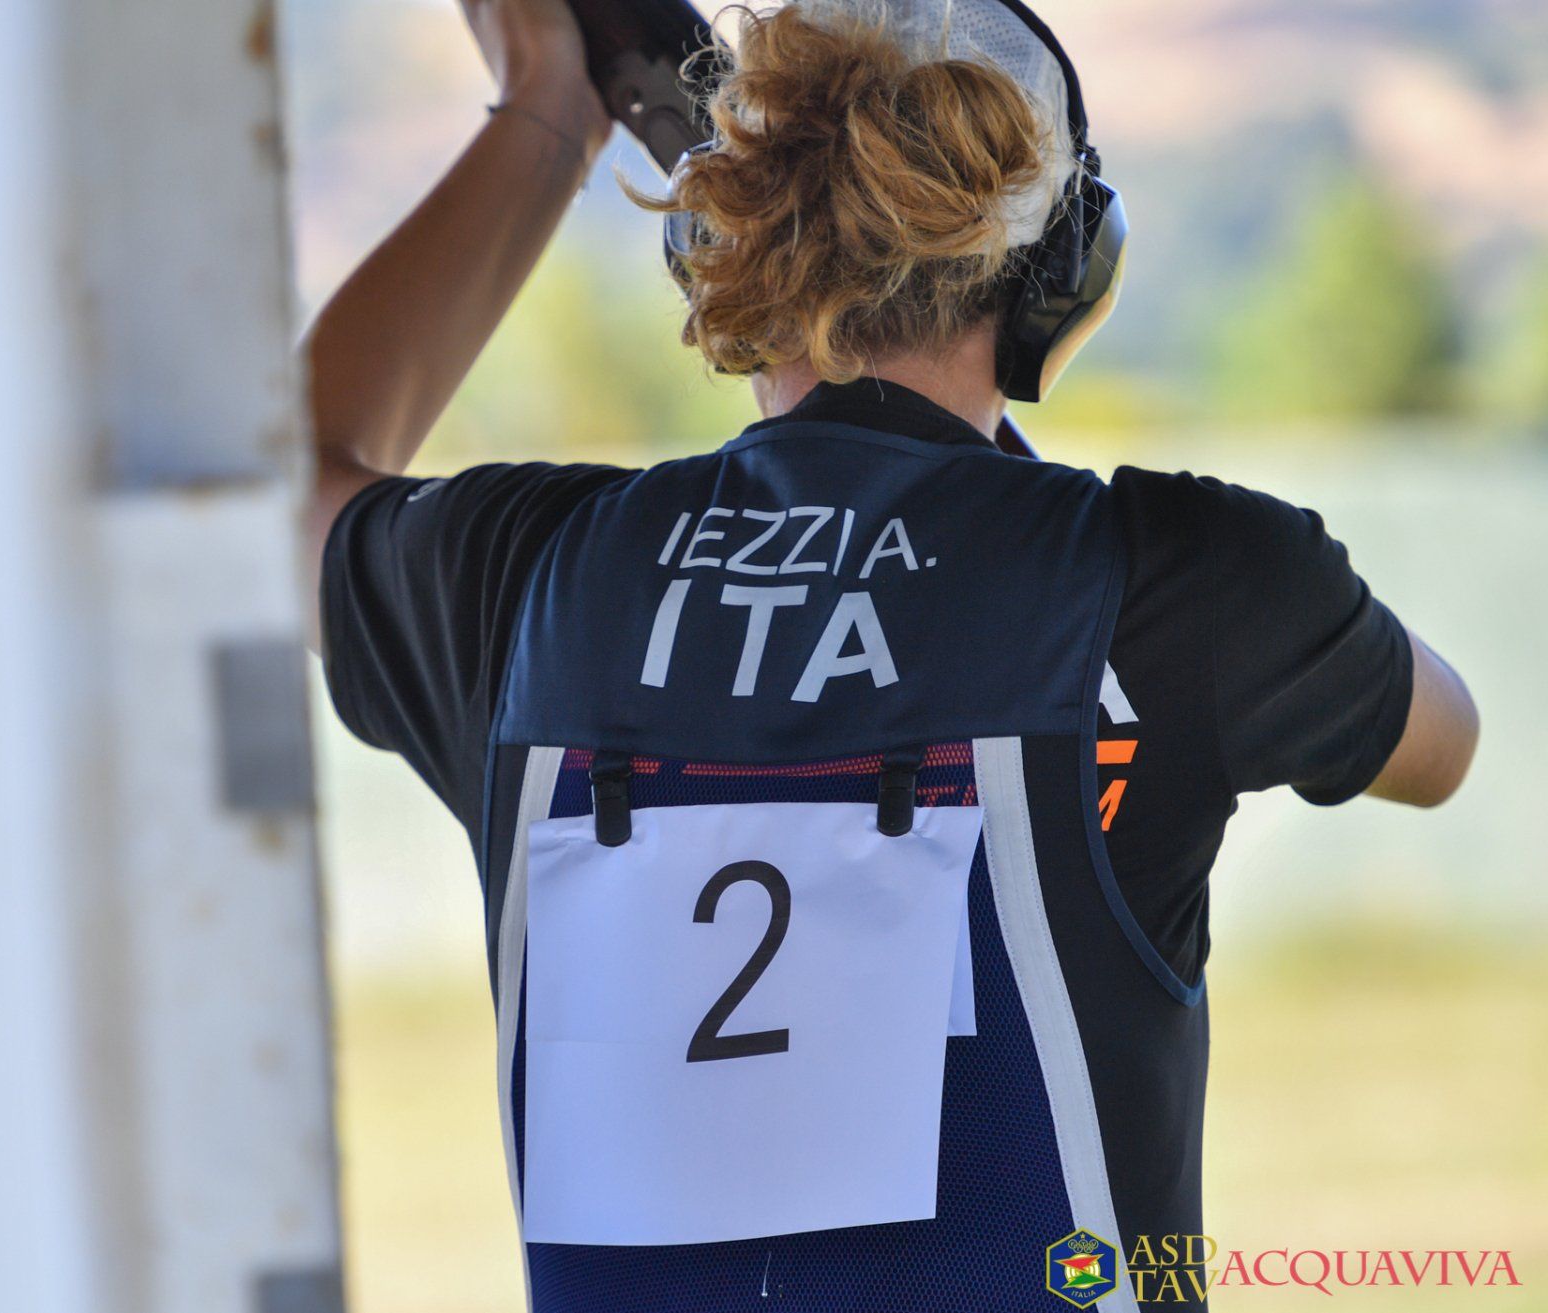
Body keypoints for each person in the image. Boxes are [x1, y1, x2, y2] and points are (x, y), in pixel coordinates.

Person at [302, 0, 1480, 1307]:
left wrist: (545, 113)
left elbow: (283, 486)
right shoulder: (1180, 576)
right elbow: (1439, 743)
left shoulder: (523, 574)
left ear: (713, 247)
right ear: (1064, 273)